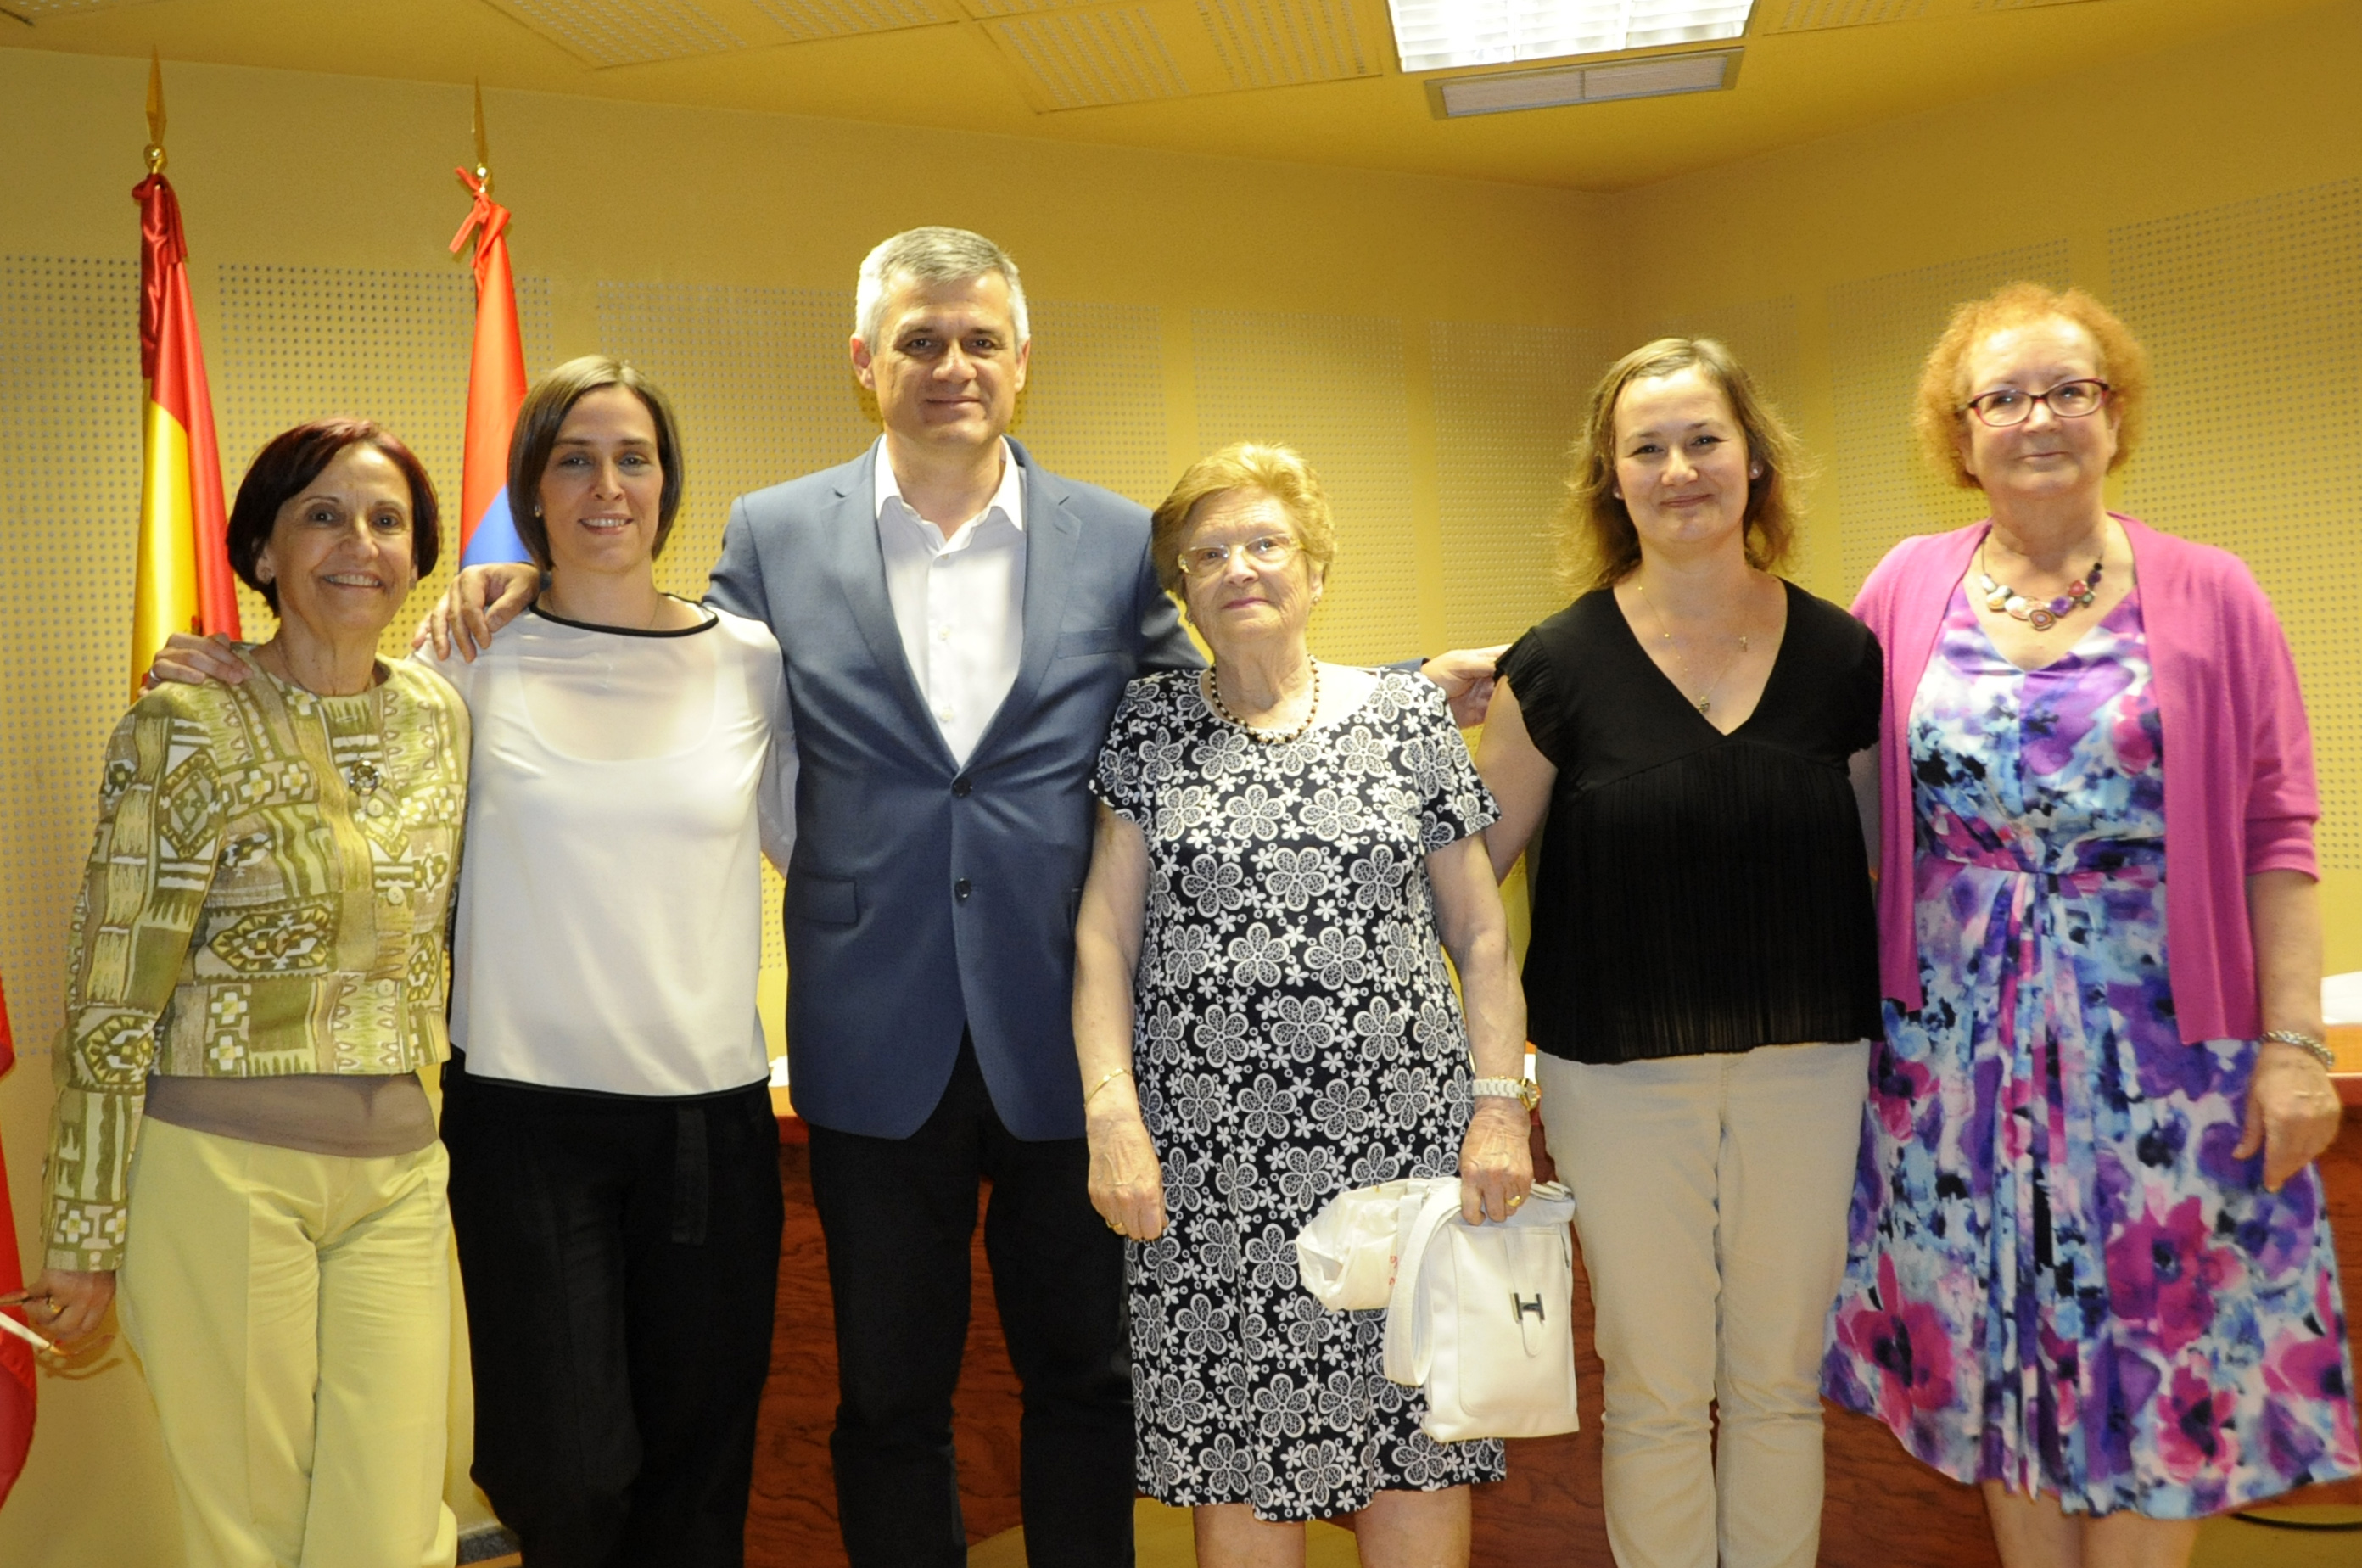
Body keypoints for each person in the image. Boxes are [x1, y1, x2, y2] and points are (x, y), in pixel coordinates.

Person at [429, 227, 1502, 1567]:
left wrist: (1394, 691)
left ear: (1022, 359)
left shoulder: (1111, 539)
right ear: (865, 361)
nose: (953, 365)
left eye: (980, 340)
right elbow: (667, 656)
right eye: (921, 341)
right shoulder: (774, 531)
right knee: (889, 1400)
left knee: (1086, 1384)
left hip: (1066, 1033)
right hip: (870, 1031)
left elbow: (1221, 692)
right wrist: (529, 582)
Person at [148, 357, 798, 1567]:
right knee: (563, 1472)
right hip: (526, 1122)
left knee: (700, 1467)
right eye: (574, 460)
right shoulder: (465, 660)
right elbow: (327, 706)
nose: (607, 486)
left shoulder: (752, 661)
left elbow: (823, 849)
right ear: (532, 488)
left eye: (634, 459)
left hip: (709, 1123)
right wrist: (222, 675)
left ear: (668, 484)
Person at [1822, 283, 2359, 1565]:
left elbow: (2277, 834)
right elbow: (1829, 791)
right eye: (2003, 397)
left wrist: (2293, 1045)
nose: (2038, 418)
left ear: (2117, 416)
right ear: (1961, 435)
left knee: (2158, 1347)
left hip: (2166, 1057)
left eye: (2071, 390)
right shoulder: (1903, 585)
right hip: (1952, 1060)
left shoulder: (2213, 591)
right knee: (1993, 1344)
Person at [13, 421, 467, 1567]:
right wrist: (85, 1231)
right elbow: (113, 992)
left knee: (396, 1524)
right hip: (218, 1173)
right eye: (322, 516)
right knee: (249, 1532)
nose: (358, 544)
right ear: (263, 551)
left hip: (400, 1173)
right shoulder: (186, 724)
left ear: (418, 557)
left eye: (387, 521)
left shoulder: (441, 717)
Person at [1073, 442, 1532, 1567]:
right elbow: (1104, 938)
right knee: (1237, 1471)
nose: (1239, 568)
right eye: (1209, 554)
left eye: (1265, 543)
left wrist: (1498, 1110)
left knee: (1415, 1456)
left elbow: (1480, 936)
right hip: (1211, 1177)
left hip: (1401, 1163)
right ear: (1183, 594)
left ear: (1316, 570)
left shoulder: (1407, 718)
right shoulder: (1148, 726)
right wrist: (1112, 1115)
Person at [1474, 339, 1884, 1568]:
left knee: (1776, 1384)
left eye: (1704, 439)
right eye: (1645, 448)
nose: (1679, 469)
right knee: (1655, 1387)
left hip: (1811, 1065)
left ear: (1755, 459)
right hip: (1615, 1078)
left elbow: (1885, 860)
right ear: (1611, 478)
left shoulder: (1843, 656)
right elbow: (1471, 885)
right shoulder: (1554, 665)